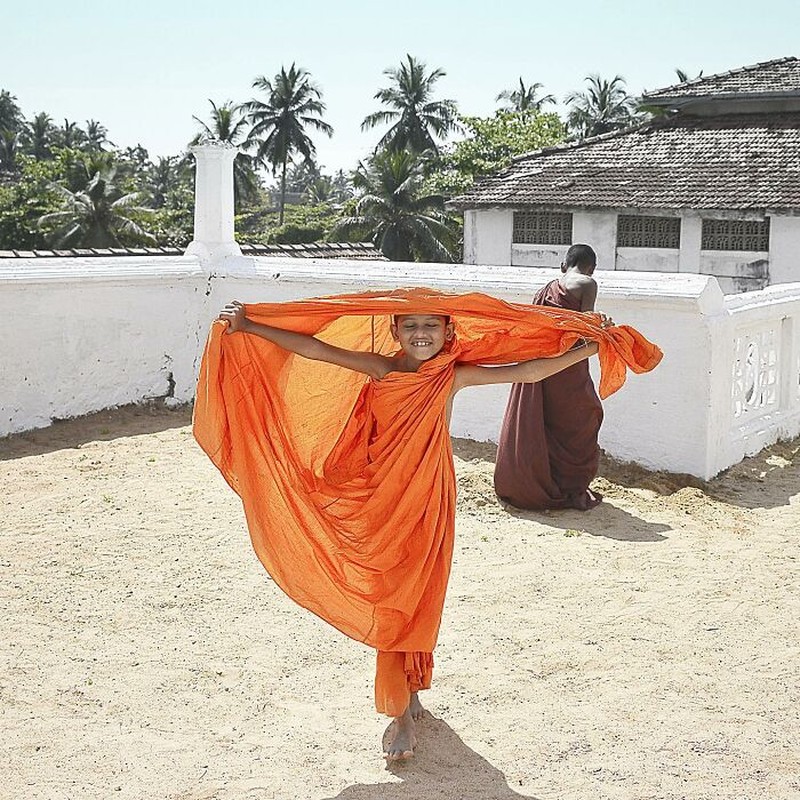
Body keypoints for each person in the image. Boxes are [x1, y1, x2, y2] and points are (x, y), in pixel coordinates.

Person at [192, 288, 661, 763]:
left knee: (421, 591)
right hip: (381, 497)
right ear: (395, 331)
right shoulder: (384, 369)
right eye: (411, 325)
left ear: (448, 331)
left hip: (430, 495)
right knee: (393, 591)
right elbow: (315, 348)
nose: (421, 334)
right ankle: (402, 703)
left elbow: (528, 369)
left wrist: (587, 347)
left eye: (431, 325)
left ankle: (407, 698)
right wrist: (250, 326)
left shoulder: (450, 376)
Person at [495, 244, 607, 511]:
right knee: (580, 421)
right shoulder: (587, 283)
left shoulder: (544, 290)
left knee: (544, 420)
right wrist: (604, 330)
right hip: (569, 365)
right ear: (591, 267)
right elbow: (585, 325)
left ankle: (539, 482)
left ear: (563, 266)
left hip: (541, 362)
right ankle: (568, 485)